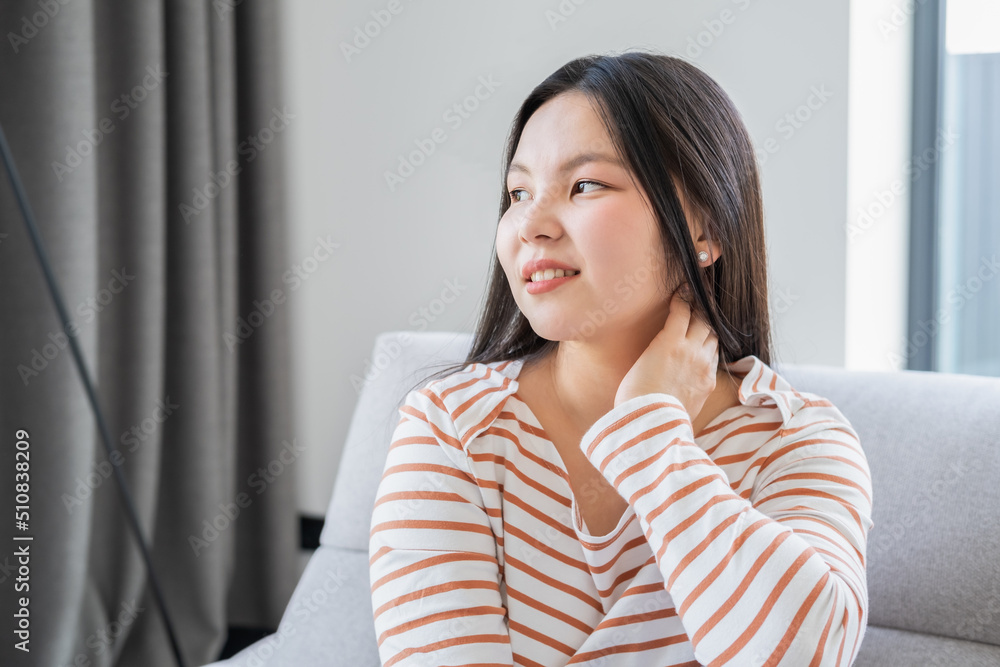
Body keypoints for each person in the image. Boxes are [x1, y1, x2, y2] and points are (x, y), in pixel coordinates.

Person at [369, 51, 873, 666]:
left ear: (704, 228)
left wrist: (651, 436)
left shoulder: (797, 440)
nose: (531, 223)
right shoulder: (454, 428)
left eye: (585, 185)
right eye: (518, 191)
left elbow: (806, 654)